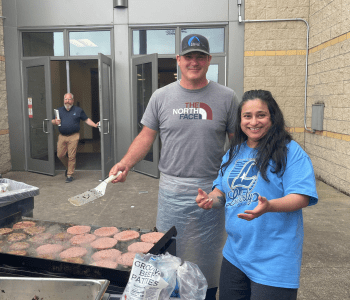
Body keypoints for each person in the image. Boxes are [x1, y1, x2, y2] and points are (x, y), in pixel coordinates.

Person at [109, 34, 239, 299]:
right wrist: (125, 164)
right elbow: (146, 136)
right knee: (169, 257)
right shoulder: (161, 96)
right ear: (178, 60)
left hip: (211, 193)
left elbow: (238, 146)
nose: (194, 62)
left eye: (200, 56)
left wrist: (228, 186)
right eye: (188, 57)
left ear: (209, 60)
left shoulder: (226, 97)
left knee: (208, 258)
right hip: (171, 191)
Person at [196, 89, 319, 300]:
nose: (254, 122)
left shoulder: (290, 151)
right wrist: (209, 200)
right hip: (235, 254)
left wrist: (270, 205)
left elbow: (301, 196)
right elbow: (222, 192)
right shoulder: (233, 152)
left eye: (261, 115)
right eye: (247, 116)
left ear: (272, 117)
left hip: (274, 258)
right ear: (240, 120)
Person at [52, 93, 99, 183]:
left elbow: (86, 119)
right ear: (63, 100)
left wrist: (95, 125)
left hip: (74, 136)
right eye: (66, 99)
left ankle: (70, 175)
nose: (67, 101)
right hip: (62, 136)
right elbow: (52, 120)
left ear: (72, 100)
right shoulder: (59, 110)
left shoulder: (78, 110)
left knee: (71, 156)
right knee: (60, 155)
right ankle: (68, 167)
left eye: (69, 99)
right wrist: (55, 121)